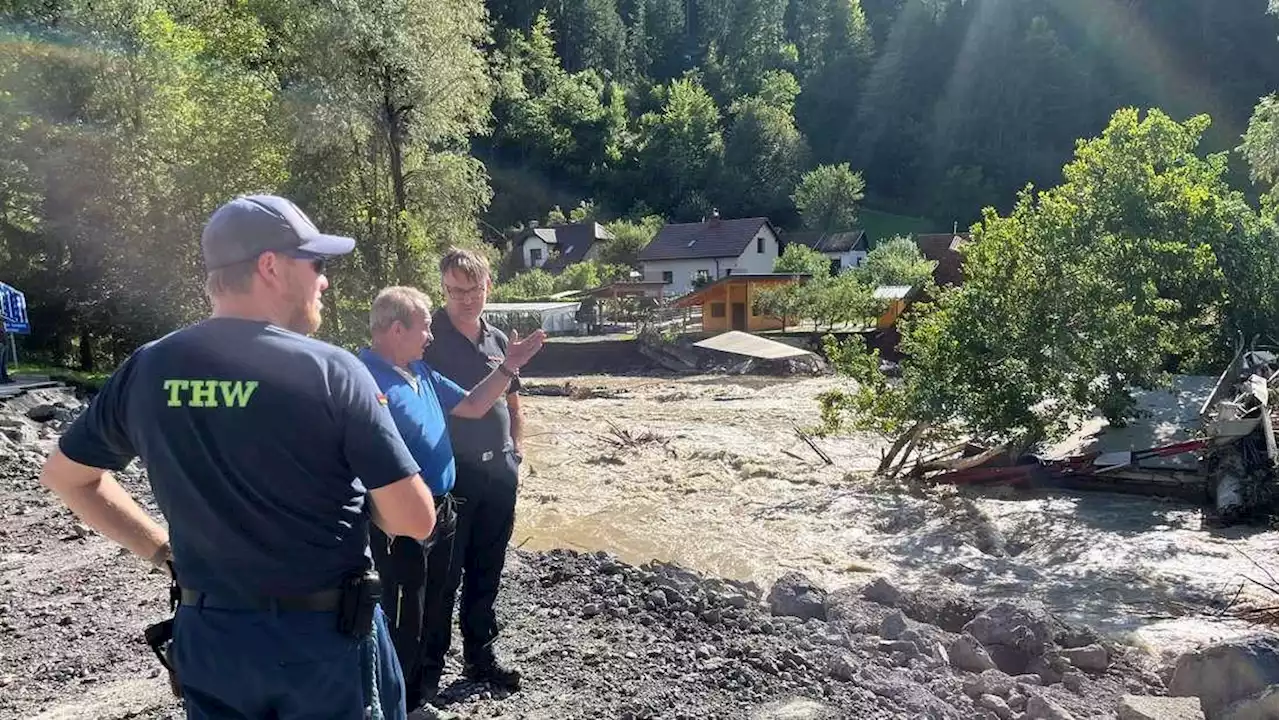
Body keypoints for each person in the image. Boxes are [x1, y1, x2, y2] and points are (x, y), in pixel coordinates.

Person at [37, 194, 439, 720]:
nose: (325, 280)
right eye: (316, 263)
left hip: (211, 639)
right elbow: (415, 518)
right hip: (320, 643)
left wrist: (163, 552)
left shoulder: (150, 369)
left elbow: (67, 478)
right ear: (270, 266)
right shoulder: (331, 371)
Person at [356, 286, 544, 718]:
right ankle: (395, 701)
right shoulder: (362, 376)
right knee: (404, 614)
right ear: (397, 329)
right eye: (424, 327)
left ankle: (422, 691)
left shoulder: (420, 372)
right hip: (398, 520)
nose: (430, 336)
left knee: (437, 600)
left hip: (444, 509)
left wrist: (510, 366)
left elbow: (476, 404)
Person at [419, 248, 529, 704]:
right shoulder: (429, 340)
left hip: (499, 472)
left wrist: (517, 453)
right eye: (455, 290)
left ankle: (480, 656)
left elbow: (514, 403)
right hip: (453, 476)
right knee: (443, 577)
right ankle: (426, 671)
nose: (465, 299)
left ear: (488, 287)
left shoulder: (499, 340)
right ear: (443, 290)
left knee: (488, 569)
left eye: (474, 289)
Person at [0, 313, 11, 384]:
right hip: (0, 343)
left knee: (4, 362)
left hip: (4, 343)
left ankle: (5, 377)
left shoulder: (2, 324)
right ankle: (0, 378)